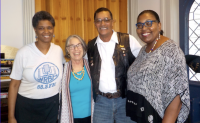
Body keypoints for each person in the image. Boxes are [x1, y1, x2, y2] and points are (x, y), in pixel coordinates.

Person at [126, 10, 190, 123]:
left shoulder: (171, 51)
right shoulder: (143, 50)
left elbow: (176, 97)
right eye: (139, 25)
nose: (144, 28)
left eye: (149, 23)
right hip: (142, 115)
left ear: (159, 25)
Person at [8, 11, 65, 123]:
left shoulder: (58, 50)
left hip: (52, 106)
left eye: (49, 27)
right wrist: (11, 117)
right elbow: (14, 86)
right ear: (35, 30)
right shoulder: (23, 53)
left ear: (53, 29)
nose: (46, 31)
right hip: (27, 107)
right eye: (41, 28)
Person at [87, 7, 141, 123]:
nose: (102, 23)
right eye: (98, 20)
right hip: (101, 102)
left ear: (112, 22)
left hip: (125, 100)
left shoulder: (128, 40)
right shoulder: (91, 46)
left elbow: (144, 61)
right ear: (95, 23)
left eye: (106, 19)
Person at [60, 35, 94, 123]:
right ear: (67, 50)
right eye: (72, 46)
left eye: (79, 45)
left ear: (83, 47)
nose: (76, 49)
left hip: (93, 116)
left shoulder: (92, 67)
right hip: (70, 118)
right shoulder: (62, 69)